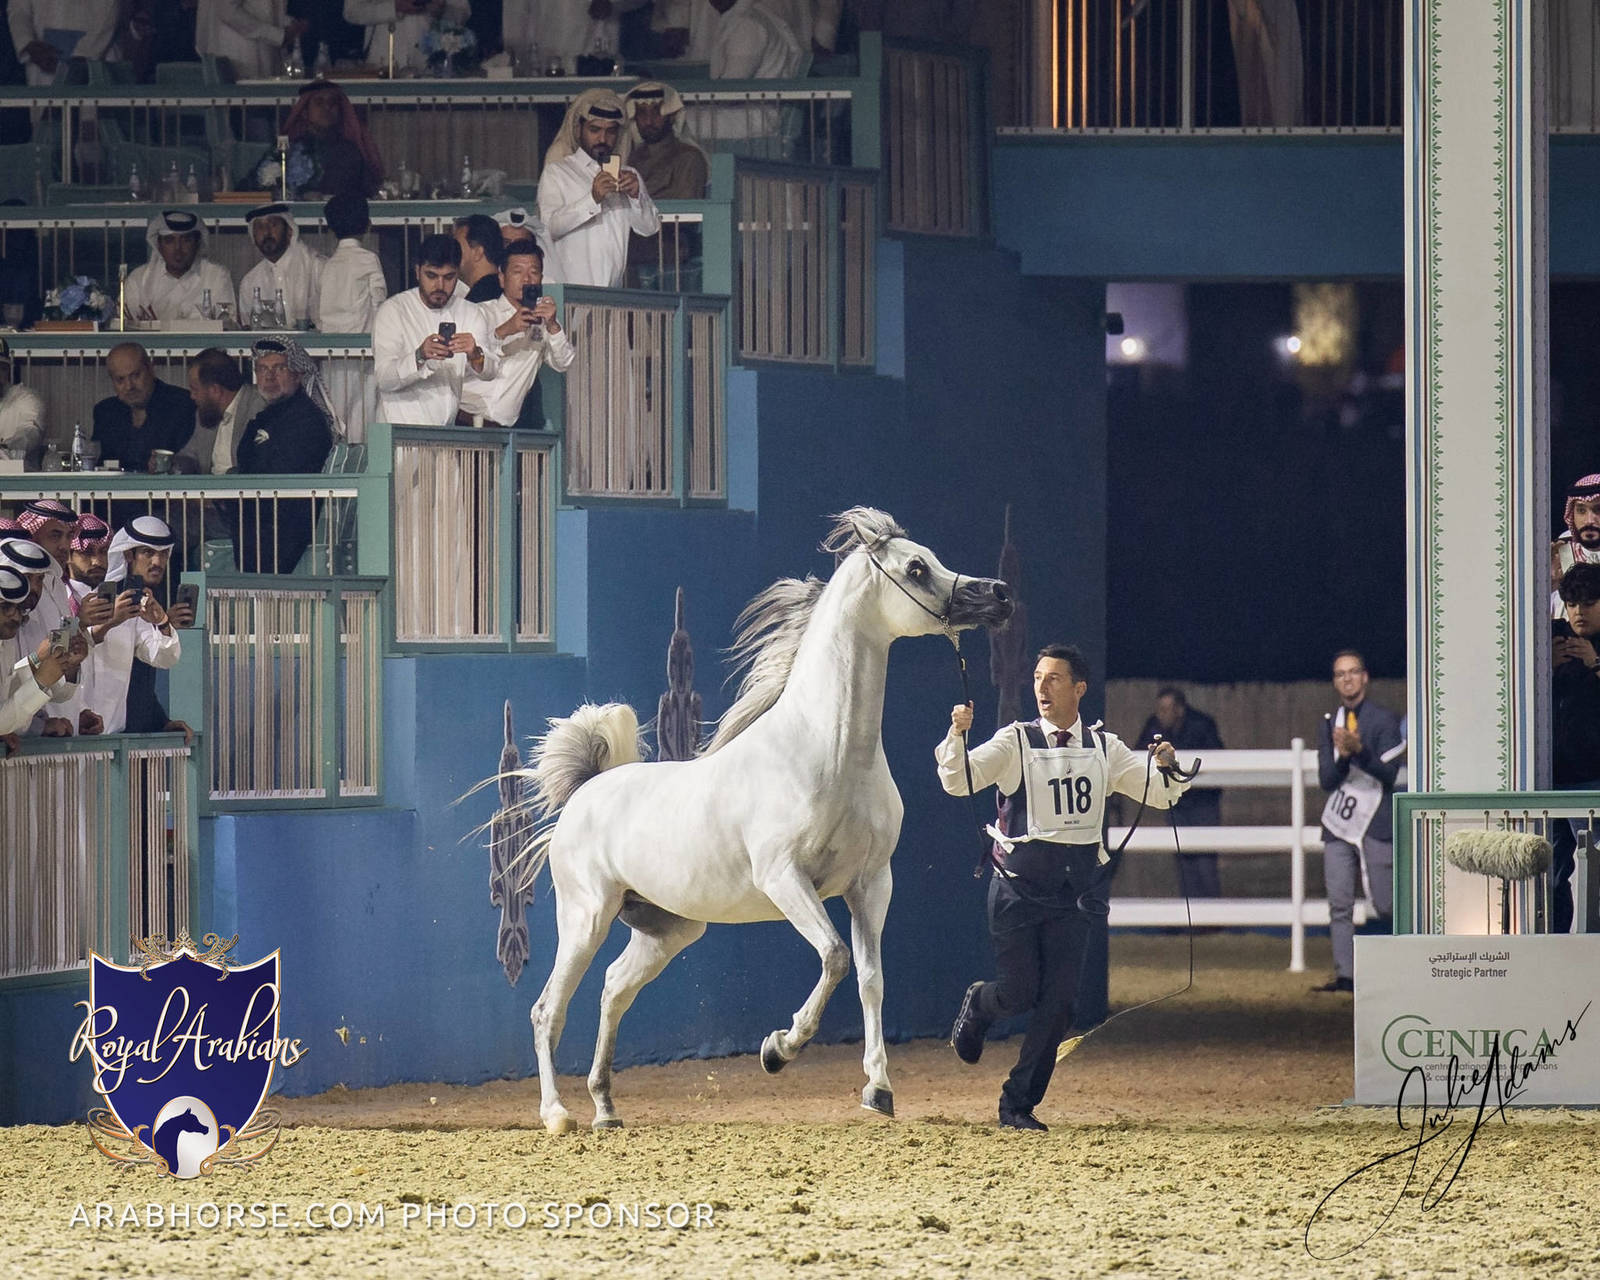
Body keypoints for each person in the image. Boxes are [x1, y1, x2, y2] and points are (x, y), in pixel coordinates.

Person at [938, 644, 1189, 1130]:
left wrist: (1167, 765)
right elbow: (957, 779)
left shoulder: (1104, 748)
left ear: (1079, 689)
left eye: (1053, 678)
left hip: (1073, 898)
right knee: (1018, 993)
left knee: (1059, 1006)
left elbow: (1159, 794)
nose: (1041, 687)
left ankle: (1017, 1104)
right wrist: (957, 735)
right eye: (1037, 677)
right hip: (1016, 892)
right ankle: (980, 1003)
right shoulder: (1015, 741)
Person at [1314, 649, 1402, 993]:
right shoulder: (1329, 722)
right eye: (1340, 674)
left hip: (1376, 820)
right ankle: (1346, 976)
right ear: (1335, 681)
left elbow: (1389, 775)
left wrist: (1359, 751)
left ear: (1364, 677)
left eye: (1352, 672)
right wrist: (1343, 757)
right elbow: (1326, 780)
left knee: (1386, 902)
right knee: (1339, 902)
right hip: (1340, 823)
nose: (1347, 679)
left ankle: (1402, 966)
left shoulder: (1384, 720)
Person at [73, 516, 188, 735]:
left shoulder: (131, 604)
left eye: (163, 553)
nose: (97, 561)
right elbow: (57, 657)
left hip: (115, 741)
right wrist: (108, 623)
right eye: (147, 552)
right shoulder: (61, 600)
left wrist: (163, 622)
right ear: (127, 554)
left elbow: (162, 657)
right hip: (65, 737)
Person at [230, 338, 337, 572]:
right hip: (257, 518)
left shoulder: (306, 420)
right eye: (263, 369)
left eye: (280, 368)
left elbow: (281, 472)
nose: (269, 377)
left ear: (298, 374)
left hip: (284, 526)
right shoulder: (269, 416)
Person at [537, 89, 662, 288]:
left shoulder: (628, 174)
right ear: (579, 130)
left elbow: (649, 228)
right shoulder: (558, 173)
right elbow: (549, 228)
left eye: (610, 131)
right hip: (570, 293)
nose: (603, 138)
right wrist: (592, 199)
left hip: (614, 295)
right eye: (594, 130)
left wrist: (636, 196)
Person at [371, 233, 498, 426]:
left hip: (445, 431)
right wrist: (419, 356)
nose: (439, 285)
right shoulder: (393, 310)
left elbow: (490, 371)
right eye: (431, 276)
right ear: (417, 272)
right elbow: (385, 380)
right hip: (397, 431)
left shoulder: (471, 312)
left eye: (448, 277)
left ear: (458, 274)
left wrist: (475, 354)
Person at [459, 241, 574, 430]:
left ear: (541, 278)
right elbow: (462, 364)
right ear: (502, 278)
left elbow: (563, 363)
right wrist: (505, 330)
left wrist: (553, 325)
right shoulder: (481, 313)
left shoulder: (545, 321)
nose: (527, 279)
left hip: (503, 431)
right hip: (464, 421)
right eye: (518, 272)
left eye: (534, 272)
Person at [1134, 686, 1226, 899]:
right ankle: (1192, 918)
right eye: (1160, 709)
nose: (1162, 714)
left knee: (1205, 860)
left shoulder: (1201, 725)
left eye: (1167, 709)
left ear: (1180, 710)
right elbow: (1139, 752)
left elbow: (1217, 759)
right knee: (1184, 861)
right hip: (1176, 802)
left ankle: (1213, 920)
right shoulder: (1154, 726)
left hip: (1203, 802)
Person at [1550, 562, 1600, 934]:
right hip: (1550, 780)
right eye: (1571, 603)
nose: (1578, 612)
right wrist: (1543, 667)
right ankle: (1556, 951)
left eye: (1587, 602)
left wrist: (1595, 663)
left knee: (1594, 871)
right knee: (1553, 875)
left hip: (1594, 781)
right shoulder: (1550, 639)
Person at [313, 193, 386, 441]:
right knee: (362, 419)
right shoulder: (369, 260)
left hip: (331, 358)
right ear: (367, 224)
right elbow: (380, 305)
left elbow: (317, 313)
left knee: (335, 417)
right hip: (363, 356)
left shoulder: (326, 264)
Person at [0, 567, 84, 738]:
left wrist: (37, 660)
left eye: (20, 609)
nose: (15, 617)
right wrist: (40, 679)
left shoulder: (5, 641)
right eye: (6, 607)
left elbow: (6, 701)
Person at [92, 343, 197, 473]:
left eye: (135, 375)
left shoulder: (183, 403)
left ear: (151, 369)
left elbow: (194, 461)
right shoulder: (105, 412)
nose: (129, 386)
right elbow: (98, 465)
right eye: (120, 379)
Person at [124, 211, 238, 325]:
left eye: (186, 240)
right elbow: (124, 327)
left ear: (197, 243)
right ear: (159, 245)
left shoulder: (216, 276)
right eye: (169, 241)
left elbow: (227, 326)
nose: (178, 249)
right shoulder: (138, 280)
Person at [278, 79, 384, 200]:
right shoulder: (289, 150)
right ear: (305, 112)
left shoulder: (351, 151)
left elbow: (369, 189)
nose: (327, 107)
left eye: (332, 103)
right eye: (319, 102)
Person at [238, 203, 325, 331]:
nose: (266, 232)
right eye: (260, 228)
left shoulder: (316, 267)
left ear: (290, 231)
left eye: (273, 225)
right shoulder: (249, 282)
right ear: (253, 237)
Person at [501, 0, 648, 75]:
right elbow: (515, 11)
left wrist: (611, 2)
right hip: (541, 64)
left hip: (597, 60)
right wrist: (510, 53)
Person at [185, 347, 266, 475]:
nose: (192, 396)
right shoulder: (206, 412)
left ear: (215, 390)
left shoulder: (259, 406)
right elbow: (191, 455)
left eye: (195, 389)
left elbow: (260, 462)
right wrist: (174, 463)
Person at [7, 0, 119, 86]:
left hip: (96, 62)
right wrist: (28, 44)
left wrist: (79, 56)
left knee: (92, 112)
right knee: (47, 112)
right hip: (43, 62)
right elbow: (19, 10)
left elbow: (109, 13)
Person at [344, 0, 469, 74]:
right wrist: (395, 7)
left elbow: (462, 12)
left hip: (431, 64)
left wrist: (441, 9)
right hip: (383, 62)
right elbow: (351, 11)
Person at [195, 0, 306, 78]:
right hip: (242, 59)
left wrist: (289, 26)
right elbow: (227, 11)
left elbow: (262, 10)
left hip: (259, 57)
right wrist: (277, 35)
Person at [1550, 472, 1600, 618]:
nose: (1589, 520)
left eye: (1598, 510)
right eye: (1581, 510)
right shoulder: (1562, 554)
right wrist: (1548, 582)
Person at [0, 337, 46, 470]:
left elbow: (30, 433)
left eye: (1, 368)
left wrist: (7, 448)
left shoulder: (27, 399)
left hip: (18, 485)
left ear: (8, 371)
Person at [452, 214, 504, 303]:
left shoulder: (481, 299)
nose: (452, 252)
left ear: (477, 252)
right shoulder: (502, 290)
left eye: (457, 246)